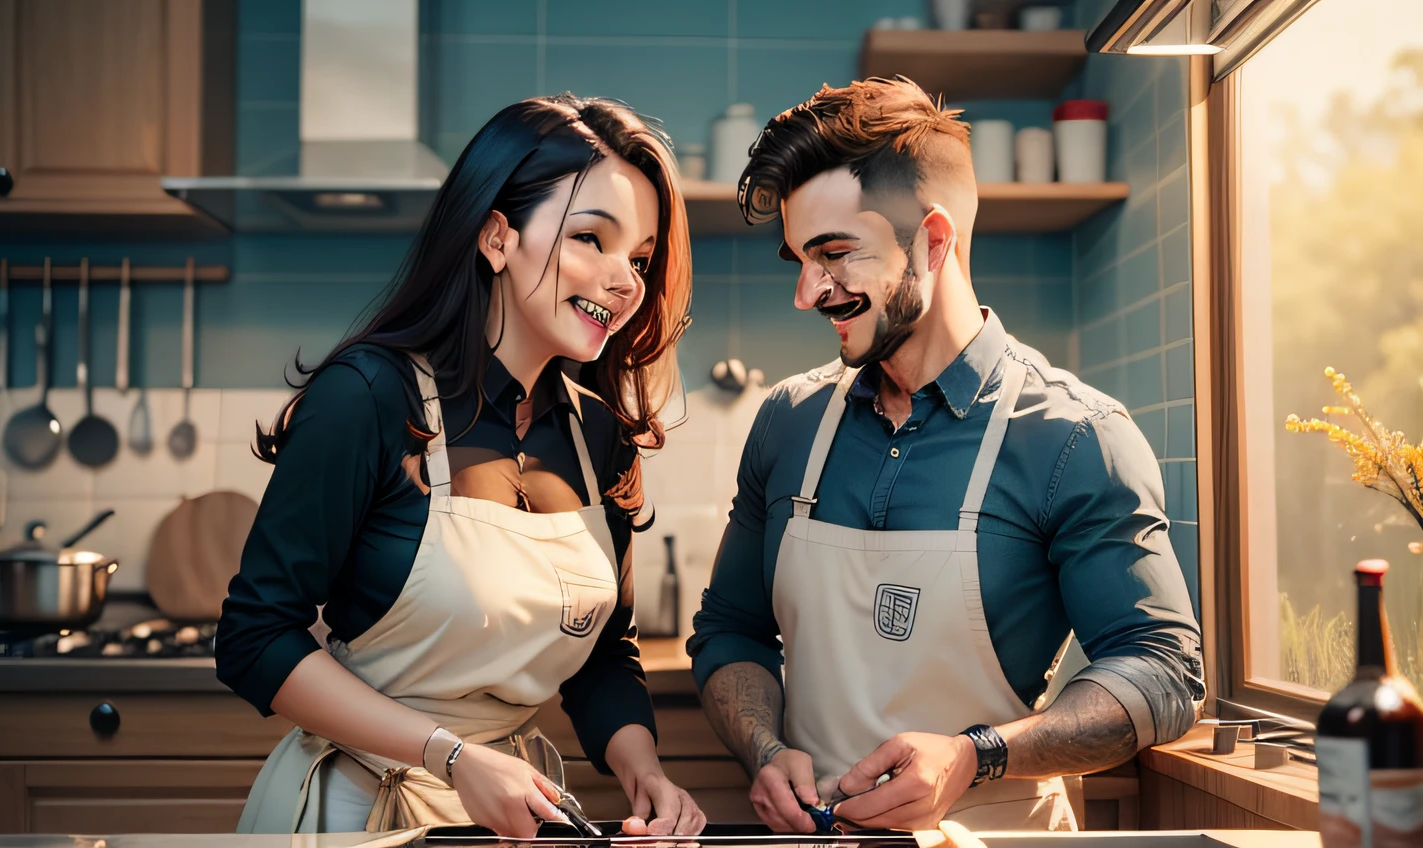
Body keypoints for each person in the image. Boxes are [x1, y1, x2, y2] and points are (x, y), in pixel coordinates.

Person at [688, 78, 1204, 833]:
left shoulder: (1073, 436)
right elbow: (730, 628)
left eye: (835, 254)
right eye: (800, 258)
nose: (807, 292)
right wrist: (765, 751)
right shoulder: (788, 422)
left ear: (933, 240)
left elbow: (1162, 672)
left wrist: (976, 754)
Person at [216, 94, 707, 837]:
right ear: (497, 237)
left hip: (513, 815)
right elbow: (253, 638)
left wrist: (647, 774)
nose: (625, 280)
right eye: (590, 240)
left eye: (639, 258)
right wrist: (451, 757)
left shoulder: (598, 434)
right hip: (357, 811)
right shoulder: (370, 398)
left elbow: (605, 653)